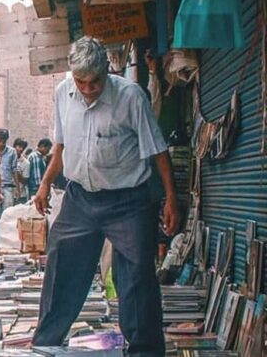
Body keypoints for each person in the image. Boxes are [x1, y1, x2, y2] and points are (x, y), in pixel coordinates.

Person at [31, 37, 179, 356]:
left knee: (137, 276)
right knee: (61, 263)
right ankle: (44, 345)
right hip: (79, 198)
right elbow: (60, 147)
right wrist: (44, 184)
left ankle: (145, 351)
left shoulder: (130, 96)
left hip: (128, 202)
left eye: (95, 81)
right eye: (81, 81)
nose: (88, 88)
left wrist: (170, 198)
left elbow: (158, 151)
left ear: (107, 71)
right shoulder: (62, 94)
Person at [13, 138, 30, 204]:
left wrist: (17, 173)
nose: (21, 149)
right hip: (8, 194)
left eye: (23, 148)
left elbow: (25, 181)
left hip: (20, 195)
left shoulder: (26, 163)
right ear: (14, 146)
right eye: (19, 147)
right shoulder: (7, 159)